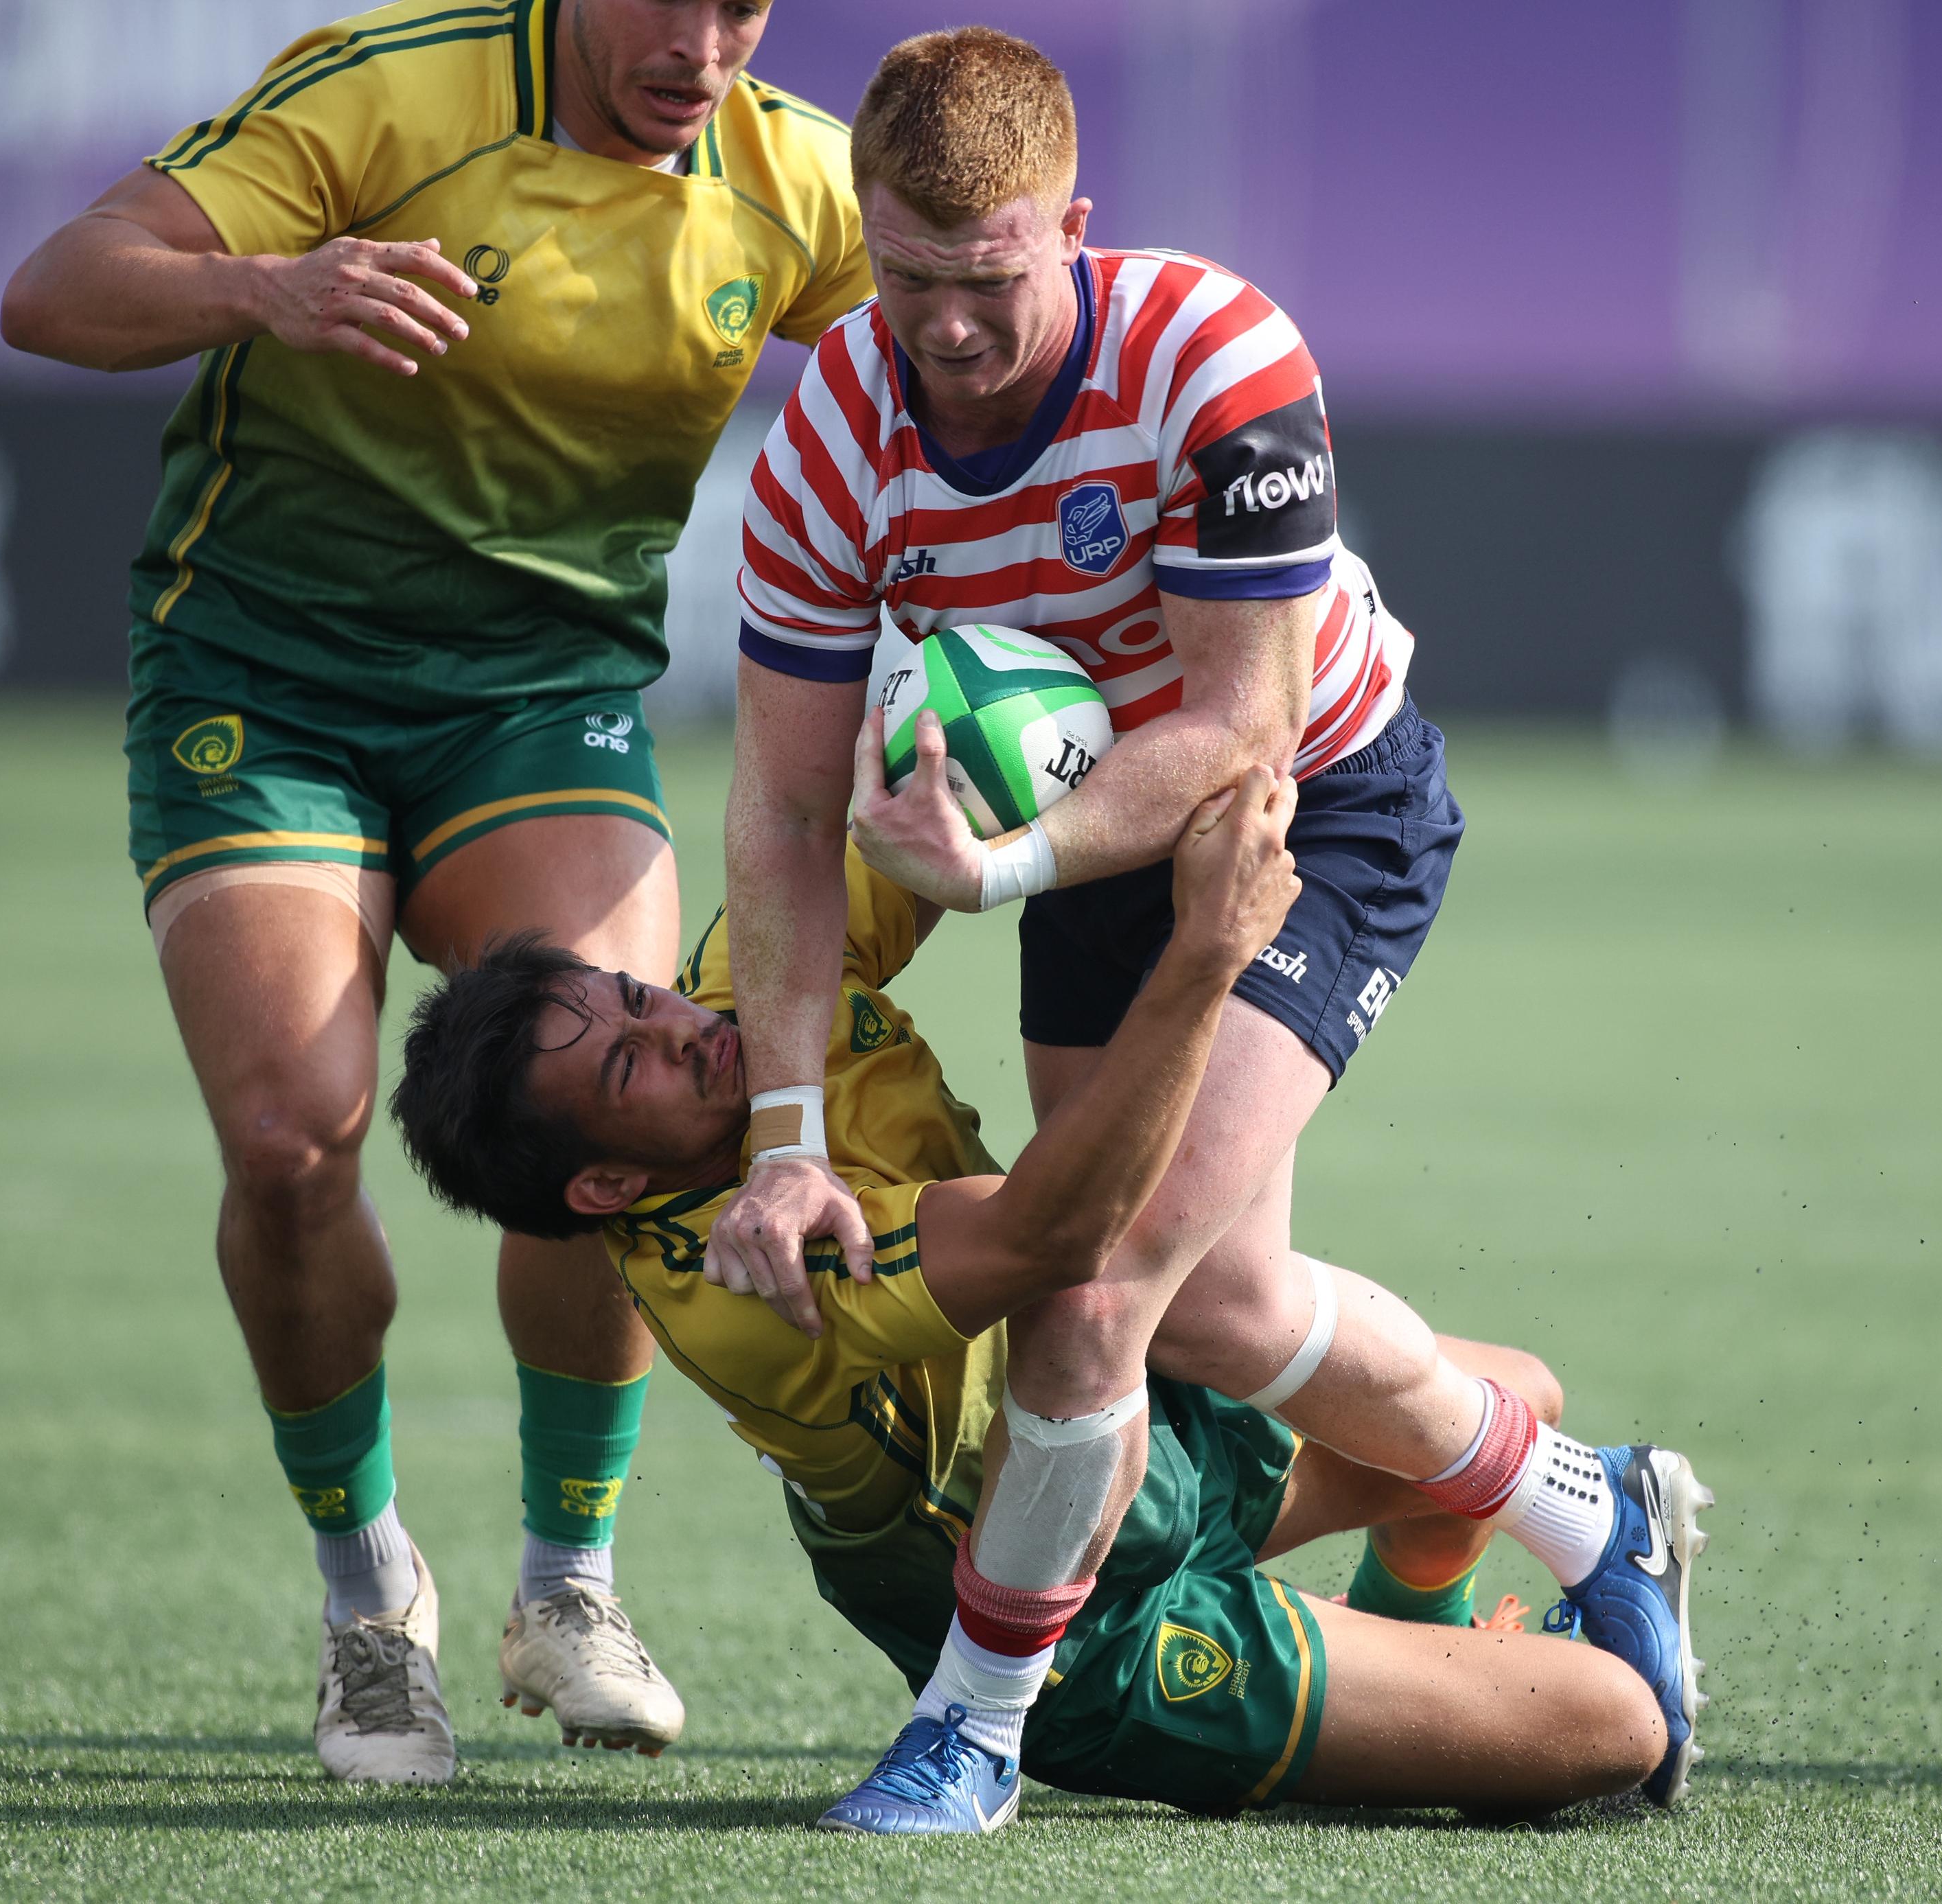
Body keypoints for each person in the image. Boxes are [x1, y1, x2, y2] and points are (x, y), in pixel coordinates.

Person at [700, 30, 1659, 1831]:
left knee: (1100, 1282)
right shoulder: (832, 427)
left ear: (1075, 221)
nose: (946, 329)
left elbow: (1235, 729)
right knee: (1223, 1305)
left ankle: (976, 1726)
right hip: (1084, 859)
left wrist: (987, 870)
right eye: (904, 278)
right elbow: (774, 805)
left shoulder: (1212, 356)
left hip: (1312, 809)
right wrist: (783, 1136)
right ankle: (1587, 1502)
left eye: (987, 282)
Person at [0, 0, 871, 1783]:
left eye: (746, 3)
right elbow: (55, 290)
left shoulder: (798, 181)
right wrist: (269, 288)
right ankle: (367, 1593)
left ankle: (569, 1580)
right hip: (268, 675)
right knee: (290, 1137)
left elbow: (960, 373)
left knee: (594, 1116)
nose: (702, 42)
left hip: (534, 697)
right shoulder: (393, 85)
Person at [389, 771, 1711, 1828]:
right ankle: (1026, 1726)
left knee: (1515, 1400)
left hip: (1143, 1411)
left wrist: (1032, 749)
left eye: (638, 994)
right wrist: (1205, 953)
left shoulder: (752, 984)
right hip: (1077, 1617)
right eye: (632, 1065)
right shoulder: (747, 1284)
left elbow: (922, 819)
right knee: (1615, 1732)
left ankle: (1411, 1636)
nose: (679, 1024)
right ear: (611, 1184)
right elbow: (1058, 1231)